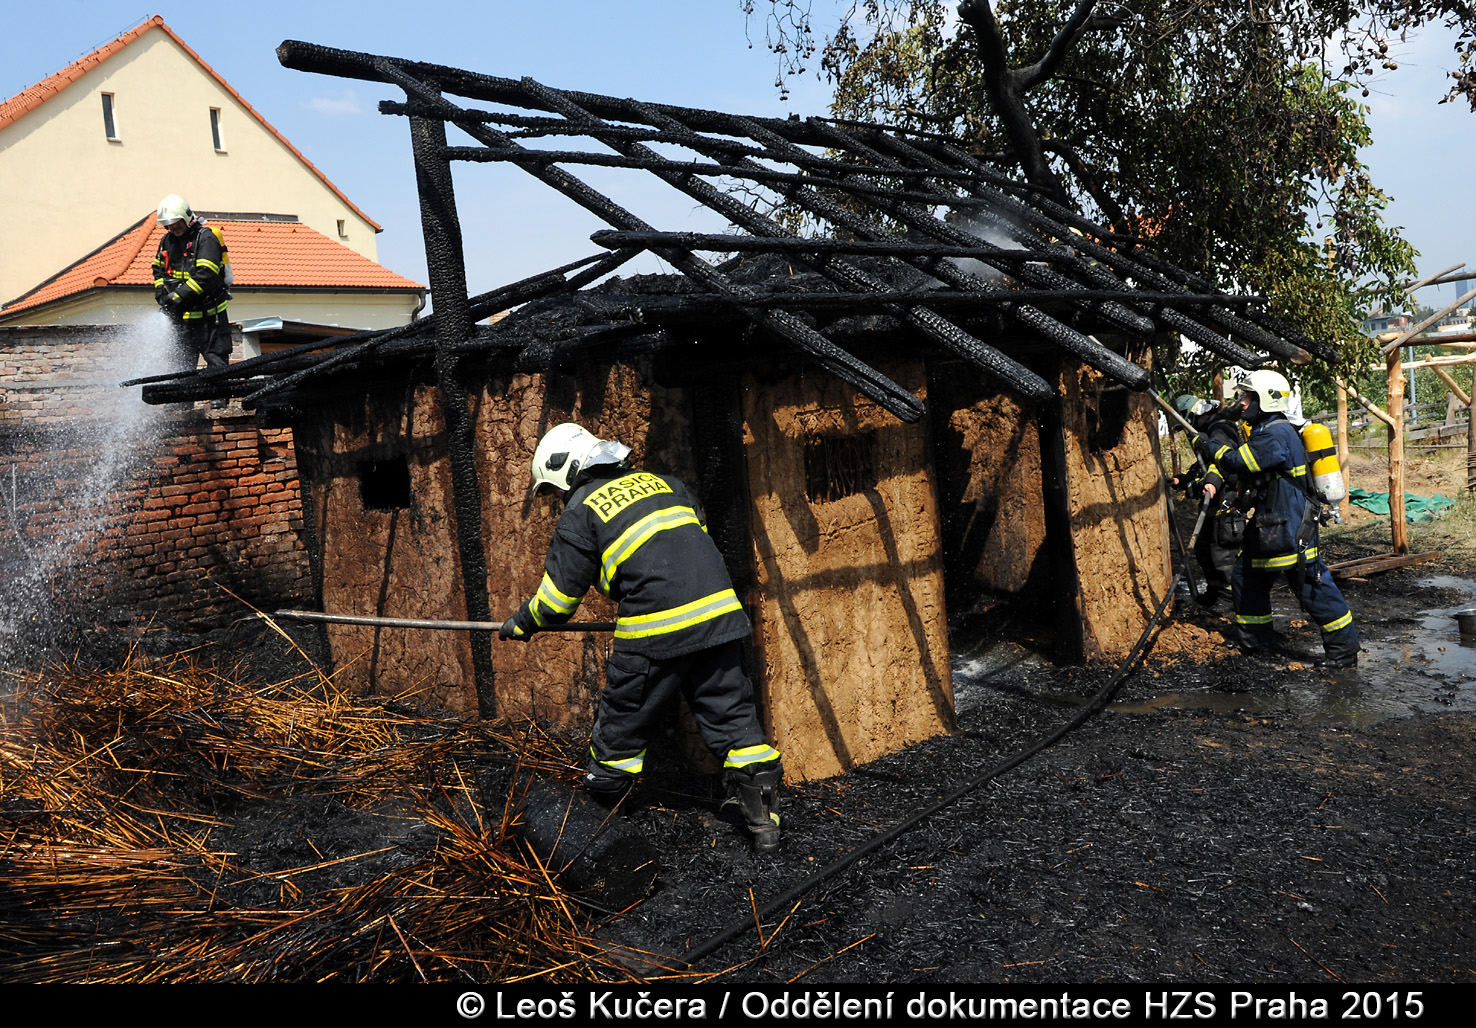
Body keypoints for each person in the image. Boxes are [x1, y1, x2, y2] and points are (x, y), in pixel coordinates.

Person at [499, 423, 784, 852]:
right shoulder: (665, 484)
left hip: (656, 626)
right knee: (732, 718)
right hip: (719, 617)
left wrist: (522, 622)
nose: (559, 500)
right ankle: (765, 826)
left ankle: (601, 829)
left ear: (566, 471)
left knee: (621, 725)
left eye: (556, 491)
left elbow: (557, 602)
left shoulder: (582, 510)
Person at [1193, 370, 1360, 668]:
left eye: (1248, 397)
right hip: (1271, 524)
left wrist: (1207, 445)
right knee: (1247, 576)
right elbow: (1240, 471)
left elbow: (1238, 461)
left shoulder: (1275, 434)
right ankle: (1256, 640)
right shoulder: (1264, 430)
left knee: (1311, 587)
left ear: (1266, 401)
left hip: (1289, 526)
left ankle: (1343, 652)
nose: (1242, 403)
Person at [1169, 394, 1244, 608]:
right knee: (1204, 549)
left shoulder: (1219, 429)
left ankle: (1231, 604)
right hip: (1215, 503)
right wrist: (1181, 480)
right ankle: (1214, 595)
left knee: (1223, 555)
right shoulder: (1212, 430)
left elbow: (1223, 462)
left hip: (1227, 502)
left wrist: (1211, 482)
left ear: (1192, 416)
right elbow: (1203, 464)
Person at [152, 194, 232, 386]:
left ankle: (219, 406)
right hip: (181, 319)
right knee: (180, 369)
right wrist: (161, 294)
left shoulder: (205, 238)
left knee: (217, 363)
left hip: (209, 318)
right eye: (168, 224)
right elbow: (158, 269)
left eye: (176, 222)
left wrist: (179, 296)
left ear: (186, 218)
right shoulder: (166, 241)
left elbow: (206, 274)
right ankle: (180, 409)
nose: (172, 227)